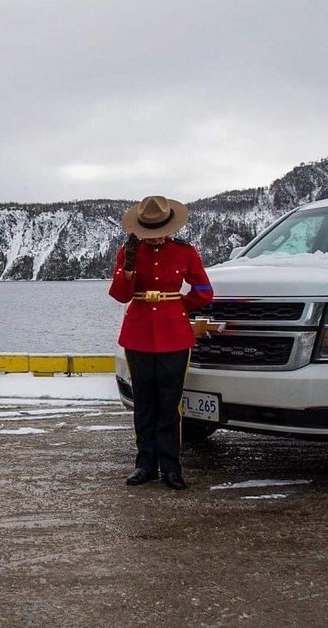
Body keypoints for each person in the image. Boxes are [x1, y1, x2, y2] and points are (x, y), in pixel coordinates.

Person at [109, 195, 213, 490]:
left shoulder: (185, 252)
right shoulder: (127, 251)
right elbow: (119, 295)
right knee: (144, 402)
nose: (155, 241)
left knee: (170, 403)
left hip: (173, 334)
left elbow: (204, 290)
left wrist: (179, 306)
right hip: (138, 334)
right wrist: (128, 269)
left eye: (159, 234)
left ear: (170, 228)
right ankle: (145, 465)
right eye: (149, 235)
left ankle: (170, 466)